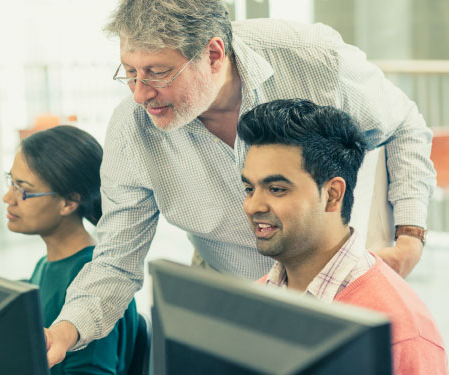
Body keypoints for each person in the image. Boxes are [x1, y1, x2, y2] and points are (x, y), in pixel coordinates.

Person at [46, 0, 436, 364]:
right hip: (231, 284)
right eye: (130, 73)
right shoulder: (133, 128)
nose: (140, 94)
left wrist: (410, 237)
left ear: (214, 54)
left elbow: (403, 126)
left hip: (333, 281)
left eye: (158, 73)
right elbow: (116, 259)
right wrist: (64, 332)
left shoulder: (312, 57)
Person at [239, 99, 446, 375]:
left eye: (276, 189)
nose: (253, 206)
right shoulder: (254, 299)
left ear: (333, 195)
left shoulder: (401, 334)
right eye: (249, 189)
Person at [3, 125, 138, 374]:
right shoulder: (47, 264)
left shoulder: (95, 282)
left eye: (24, 190)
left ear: (68, 202)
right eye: (11, 182)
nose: (7, 198)